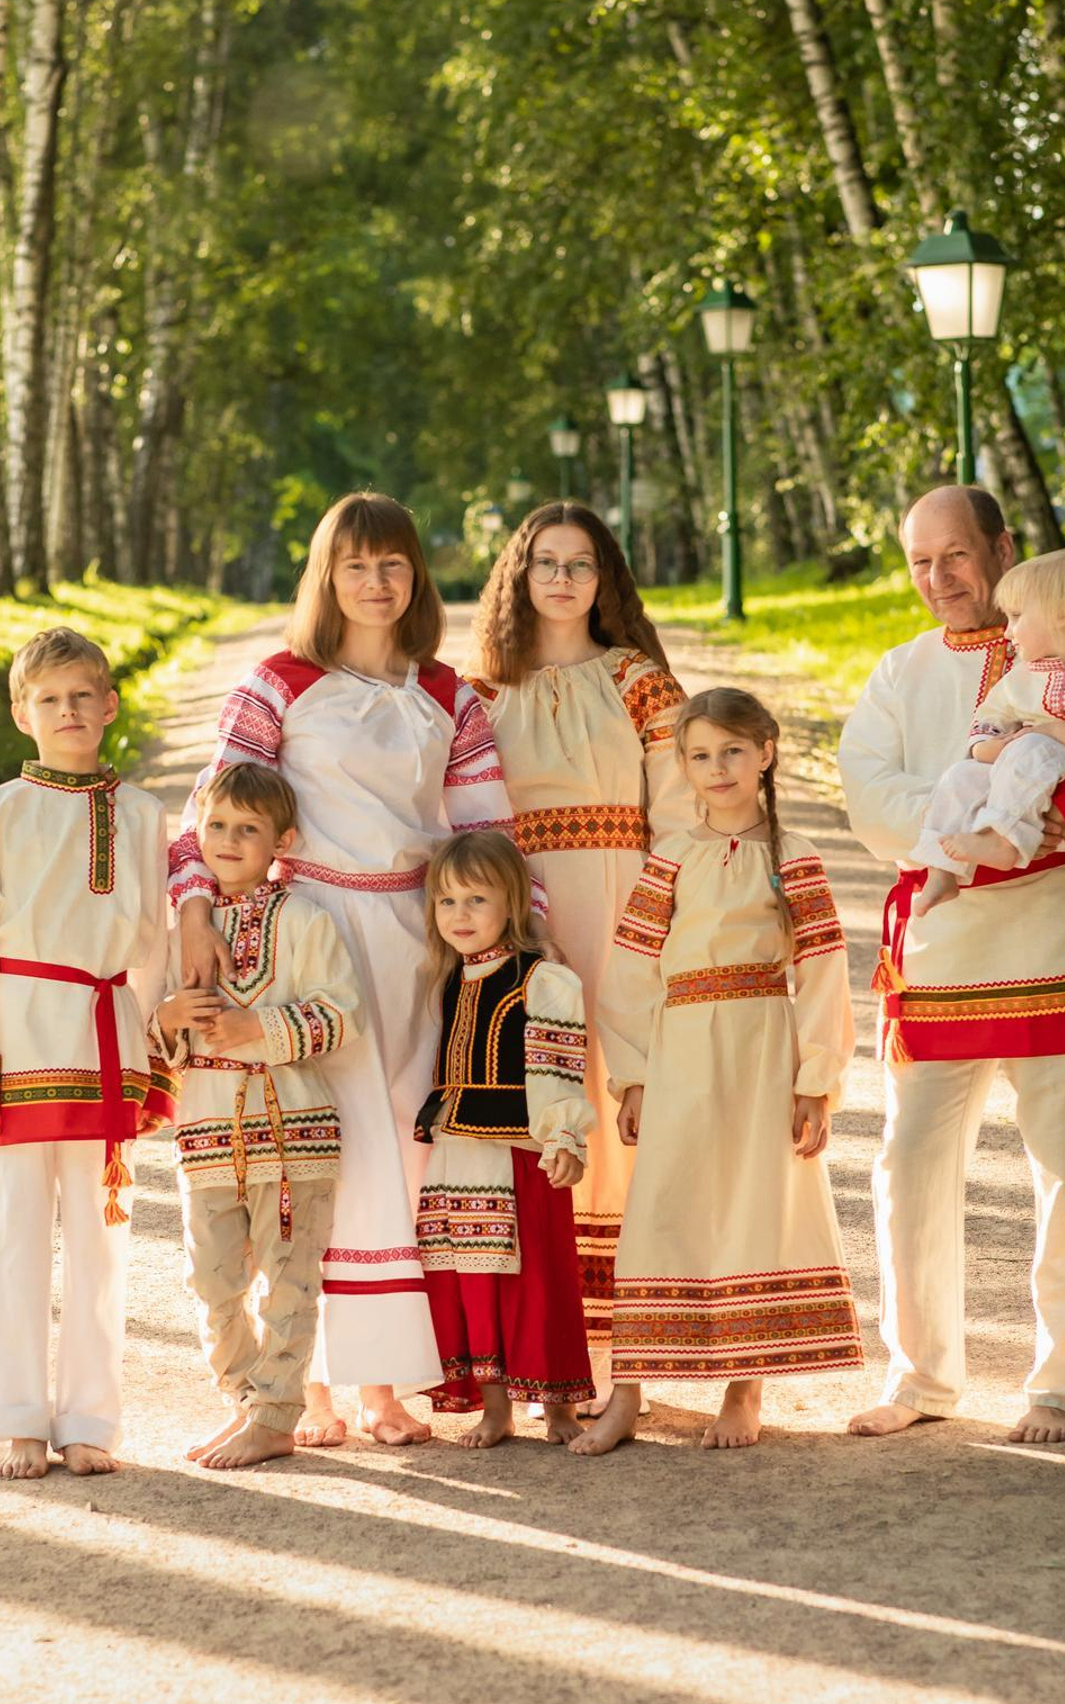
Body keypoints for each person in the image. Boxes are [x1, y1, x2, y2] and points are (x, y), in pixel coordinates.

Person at [839, 486, 1065, 1444]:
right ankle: (920, 1378)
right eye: (920, 562)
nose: (938, 580)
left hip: (1060, 942)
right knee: (907, 1163)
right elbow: (871, 798)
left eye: (956, 556)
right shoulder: (899, 672)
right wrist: (973, 839)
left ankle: (1061, 1388)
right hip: (940, 946)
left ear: (1002, 547)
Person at [171, 491, 525, 1447]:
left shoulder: (450, 694)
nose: (377, 582)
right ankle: (309, 1385)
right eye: (356, 565)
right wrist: (197, 905)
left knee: (403, 1153)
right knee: (321, 1151)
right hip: (311, 936)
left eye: (394, 564)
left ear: (417, 576)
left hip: (419, 938)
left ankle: (379, 1383)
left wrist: (507, 942)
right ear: (327, 576)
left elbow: (487, 832)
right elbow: (211, 814)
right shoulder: (278, 683)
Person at [573, 688, 862, 1457]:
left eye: (732, 751)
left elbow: (826, 968)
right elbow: (631, 966)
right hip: (681, 1049)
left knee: (754, 1202)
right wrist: (631, 1073)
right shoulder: (669, 856)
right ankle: (628, 1394)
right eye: (699, 755)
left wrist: (815, 1082)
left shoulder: (793, 856)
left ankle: (744, 1386)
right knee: (661, 1204)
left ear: (765, 752)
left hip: (762, 1044)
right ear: (683, 767)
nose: (717, 768)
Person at [0, 628, 174, 1481]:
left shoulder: (145, 815)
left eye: (83, 695)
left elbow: (157, 954)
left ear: (110, 705)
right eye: (49, 699)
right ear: (21, 713)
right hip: (19, 1047)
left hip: (108, 1037)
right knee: (15, 1237)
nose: (68, 711)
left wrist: (154, 1061)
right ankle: (17, 1418)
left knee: (103, 1241)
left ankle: (89, 1419)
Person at [468, 503, 686, 1395]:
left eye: (581, 563)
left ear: (607, 579)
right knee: (540, 1094)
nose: (562, 578)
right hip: (525, 914)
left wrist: (666, 908)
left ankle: (635, 1335)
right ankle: (546, 1339)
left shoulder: (638, 679)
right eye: (545, 562)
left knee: (629, 1084)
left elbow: (680, 804)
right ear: (518, 577)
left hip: (626, 900)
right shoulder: (480, 693)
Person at [148, 762, 364, 1470]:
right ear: (197, 831)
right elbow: (153, 1030)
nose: (230, 840)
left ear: (284, 840)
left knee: (290, 1280)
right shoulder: (178, 930)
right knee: (212, 1281)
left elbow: (342, 1015)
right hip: (207, 1132)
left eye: (248, 829)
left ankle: (274, 1413)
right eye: (216, 826)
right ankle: (246, 1401)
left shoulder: (303, 919)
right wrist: (170, 1018)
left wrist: (259, 1029)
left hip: (293, 1131)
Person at [414, 830, 595, 1448]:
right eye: (446, 902)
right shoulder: (448, 980)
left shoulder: (540, 978)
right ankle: (495, 1409)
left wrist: (564, 1137)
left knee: (537, 1279)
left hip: (522, 1149)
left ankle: (560, 1405)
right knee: (472, 1278)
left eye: (475, 901)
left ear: (512, 904)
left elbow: (557, 1066)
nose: (459, 916)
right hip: (457, 1148)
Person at [912, 550, 1065, 917]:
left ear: (1062, 616)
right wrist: (991, 748)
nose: (1008, 630)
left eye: (1016, 617)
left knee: (1032, 747)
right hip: (1017, 761)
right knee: (960, 776)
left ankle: (1004, 840)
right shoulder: (1022, 678)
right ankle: (941, 871)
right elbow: (990, 718)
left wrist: (1053, 732)